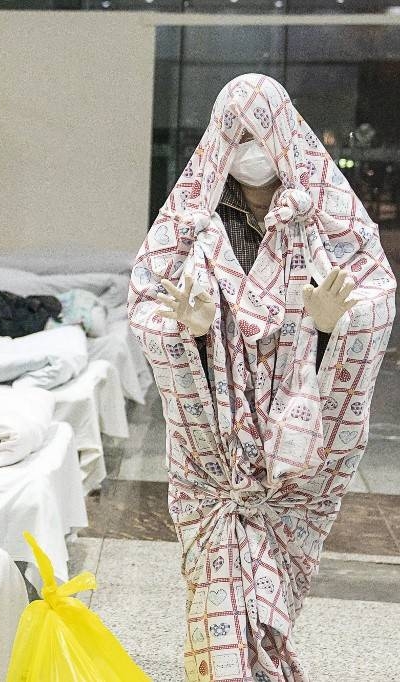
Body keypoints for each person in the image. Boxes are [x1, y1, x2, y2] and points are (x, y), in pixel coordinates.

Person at [128, 73, 395, 680]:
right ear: (222, 136)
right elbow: (147, 293)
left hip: (292, 461)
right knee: (218, 595)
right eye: (238, 132)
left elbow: (375, 291)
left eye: (260, 131)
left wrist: (333, 326)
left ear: (284, 132)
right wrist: (188, 332)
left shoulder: (327, 215)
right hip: (214, 460)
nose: (251, 147)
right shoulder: (194, 217)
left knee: (272, 595)